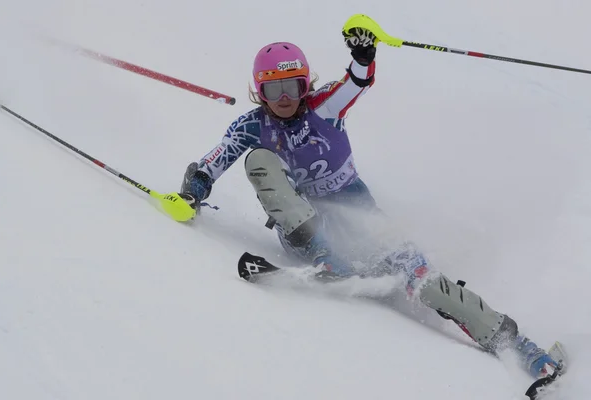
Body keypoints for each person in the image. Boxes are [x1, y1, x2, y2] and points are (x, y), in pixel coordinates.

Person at [178, 26, 560, 379]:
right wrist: (192, 191)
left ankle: (521, 348)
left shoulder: (323, 106)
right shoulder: (252, 126)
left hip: (358, 217)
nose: (283, 100)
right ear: (258, 93)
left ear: (305, 85)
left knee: (427, 283)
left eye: (292, 88)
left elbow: (356, 81)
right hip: (303, 227)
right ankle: (325, 257)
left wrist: (363, 53)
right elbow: (215, 160)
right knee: (258, 160)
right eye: (272, 91)